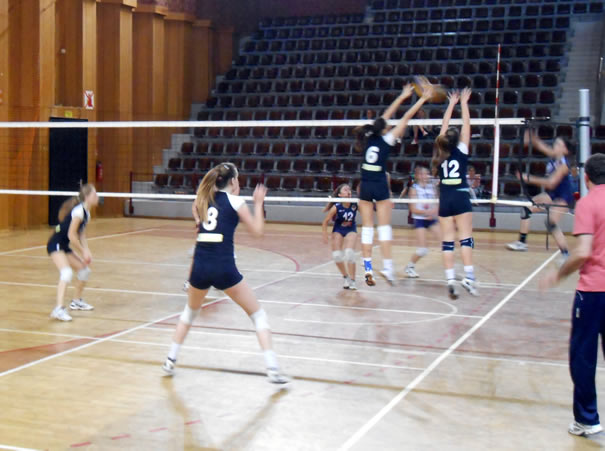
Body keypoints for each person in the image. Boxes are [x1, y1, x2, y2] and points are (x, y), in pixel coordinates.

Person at [162, 163, 288, 384]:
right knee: (258, 316)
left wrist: (198, 222)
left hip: (200, 267)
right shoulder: (236, 202)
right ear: (233, 181)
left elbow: (198, 208)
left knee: (189, 313)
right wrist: (259, 203)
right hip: (223, 268)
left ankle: (170, 361)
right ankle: (273, 369)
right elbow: (258, 231)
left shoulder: (204, 200)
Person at [539, 153, 605, 437]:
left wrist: (558, 274)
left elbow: (582, 252)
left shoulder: (588, 204)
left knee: (583, 356)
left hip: (593, 292)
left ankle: (587, 420)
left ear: (586, 178)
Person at [355, 83, 434, 286]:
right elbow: (406, 117)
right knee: (384, 228)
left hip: (365, 185)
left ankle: (367, 267)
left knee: (367, 229)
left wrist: (402, 96)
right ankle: (388, 268)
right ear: (385, 128)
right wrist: (422, 99)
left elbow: (385, 117)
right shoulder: (387, 139)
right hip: (380, 184)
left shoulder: (369, 137)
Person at [432, 88, 477, 299]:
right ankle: (469, 277)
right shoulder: (462, 150)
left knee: (447, 241)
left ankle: (450, 279)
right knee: (465, 238)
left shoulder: (440, 152)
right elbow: (467, 125)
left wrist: (450, 104)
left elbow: (444, 127)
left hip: (445, 199)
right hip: (460, 196)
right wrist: (464, 103)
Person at [507, 130, 574, 261]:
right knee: (526, 209)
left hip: (564, 196)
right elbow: (539, 144)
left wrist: (528, 178)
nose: (555, 146)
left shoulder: (564, 165)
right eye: (555, 143)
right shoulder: (554, 155)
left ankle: (565, 254)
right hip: (552, 194)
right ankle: (522, 243)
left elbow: (551, 183)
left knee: (550, 223)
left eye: (558, 144)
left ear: (565, 150)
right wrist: (529, 133)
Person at [47, 184, 99, 321]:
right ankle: (58, 309)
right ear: (87, 197)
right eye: (94, 194)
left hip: (63, 245)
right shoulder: (78, 212)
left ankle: (76, 301)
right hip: (56, 243)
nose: (97, 197)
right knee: (66, 273)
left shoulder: (86, 213)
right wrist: (82, 251)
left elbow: (81, 234)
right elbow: (71, 235)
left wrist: (86, 250)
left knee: (84, 271)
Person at [404, 165, 441, 278]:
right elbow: (413, 208)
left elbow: (437, 203)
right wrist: (426, 213)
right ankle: (410, 267)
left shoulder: (432, 187)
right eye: (423, 174)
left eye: (427, 174)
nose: (426, 176)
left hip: (431, 219)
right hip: (420, 219)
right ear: (418, 176)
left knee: (446, 243)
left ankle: (452, 269)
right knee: (423, 250)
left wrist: (434, 212)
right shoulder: (414, 188)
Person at [322, 184, 358, 290]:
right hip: (338, 229)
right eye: (345, 190)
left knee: (349, 253)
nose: (348, 191)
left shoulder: (355, 204)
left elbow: (368, 210)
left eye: (349, 190)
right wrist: (325, 234)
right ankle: (346, 277)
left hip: (351, 229)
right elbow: (325, 221)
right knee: (337, 255)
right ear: (340, 195)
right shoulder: (336, 207)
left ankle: (353, 280)